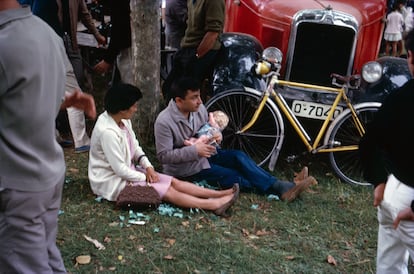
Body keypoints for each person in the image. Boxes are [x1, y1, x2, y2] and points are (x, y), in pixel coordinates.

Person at [0, 1, 97, 273]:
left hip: (17, 184)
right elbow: (25, 94)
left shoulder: (5, 42)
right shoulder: (45, 32)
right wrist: (65, 100)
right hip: (47, 176)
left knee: (25, 263)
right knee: (46, 255)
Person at [88, 83, 239, 217]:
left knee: (173, 182)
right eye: (133, 106)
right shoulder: (108, 132)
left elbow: (135, 148)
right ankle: (214, 205)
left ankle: (219, 194)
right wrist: (146, 178)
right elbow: (119, 169)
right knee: (168, 191)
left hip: (130, 170)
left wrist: (148, 167)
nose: (135, 109)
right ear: (121, 109)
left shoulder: (123, 120)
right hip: (112, 180)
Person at [155, 77, 317, 201]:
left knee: (238, 157)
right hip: (187, 169)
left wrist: (216, 135)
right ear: (178, 101)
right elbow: (164, 157)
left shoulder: (198, 109)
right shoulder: (164, 121)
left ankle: (282, 186)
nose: (200, 101)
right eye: (194, 98)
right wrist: (194, 150)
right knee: (235, 177)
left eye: (199, 96)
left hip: (208, 154)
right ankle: (283, 188)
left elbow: (205, 130)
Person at [359, 28, 414, 274]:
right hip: (406, 198)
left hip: (392, 190)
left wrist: (379, 179)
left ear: (410, 57)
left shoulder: (400, 97)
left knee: (389, 265)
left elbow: (370, 139)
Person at [20, 0, 106, 153]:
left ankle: (51, 136)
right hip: (50, 42)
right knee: (73, 91)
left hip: (31, 44)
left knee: (46, 93)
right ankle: (81, 140)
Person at [162, 0, 224, 101]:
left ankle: (191, 115)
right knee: (169, 88)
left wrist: (196, 55)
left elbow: (213, 32)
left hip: (202, 49)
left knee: (184, 93)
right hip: (187, 47)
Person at [94, 0, 133, 85]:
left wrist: (108, 59)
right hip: (130, 46)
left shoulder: (120, 4)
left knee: (130, 85)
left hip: (129, 49)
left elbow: (120, 28)